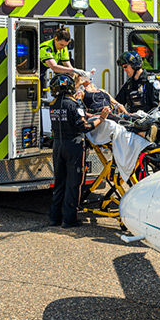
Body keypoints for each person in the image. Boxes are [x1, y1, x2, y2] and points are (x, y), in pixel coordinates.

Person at [48, 73, 109, 228]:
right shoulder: (74, 104)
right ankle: (69, 219)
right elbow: (84, 127)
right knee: (74, 183)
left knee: (59, 182)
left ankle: (55, 217)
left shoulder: (53, 104)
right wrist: (100, 119)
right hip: (73, 146)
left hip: (57, 145)